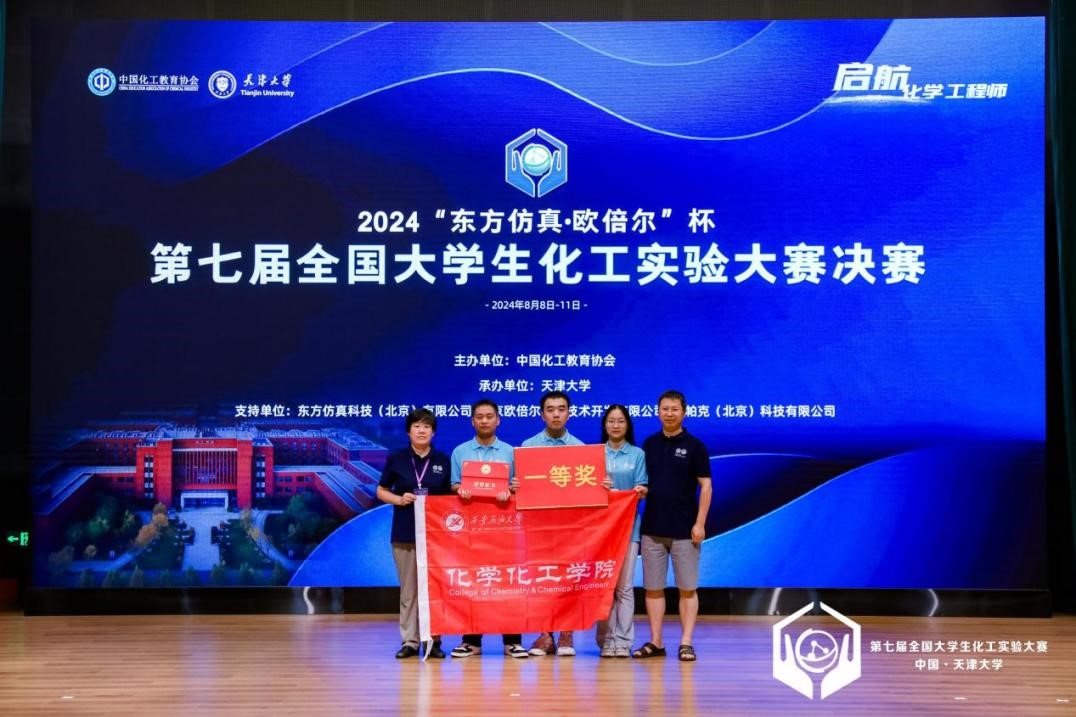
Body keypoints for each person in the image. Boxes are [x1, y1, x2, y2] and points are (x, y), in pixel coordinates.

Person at [633, 390, 712, 663]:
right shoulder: (649, 444)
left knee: (687, 588)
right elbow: (644, 481)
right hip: (652, 528)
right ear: (658, 412)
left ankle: (686, 642)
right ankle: (656, 641)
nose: (669, 413)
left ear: (684, 412)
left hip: (685, 530)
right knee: (653, 588)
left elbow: (706, 486)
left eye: (674, 409)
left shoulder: (695, 446)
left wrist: (700, 523)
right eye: (665, 409)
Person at [448, 399, 529, 659]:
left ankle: (512, 641)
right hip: (472, 529)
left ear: (498, 420)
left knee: (508, 583)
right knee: (473, 583)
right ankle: (471, 641)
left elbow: (518, 487)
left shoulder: (511, 452)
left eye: (489, 416)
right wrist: (461, 489)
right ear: (472, 421)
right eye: (479, 416)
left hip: (505, 528)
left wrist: (511, 490)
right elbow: (454, 484)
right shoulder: (460, 451)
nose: (484, 420)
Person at [376, 407, 452, 659]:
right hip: (405, 532)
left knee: (435, 590)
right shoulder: (397, 458)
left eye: (427, 426)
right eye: (417, 426)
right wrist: (399, 499)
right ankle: (410, 641)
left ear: (433, 432)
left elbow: (450, 497)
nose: (421, 431)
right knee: (409, 591)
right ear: (409, 431)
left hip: (436, 537)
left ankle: (434, 640)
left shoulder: (442, 460)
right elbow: (381, 490)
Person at [520, 390, 583, 657]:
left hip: (570, 527)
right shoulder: (528, 447)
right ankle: (545, 635)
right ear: (541, 414)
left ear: (569, 413)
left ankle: (567, 633)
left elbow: (585, 491)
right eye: (550, 409)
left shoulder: (581, 449)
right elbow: (521, 489)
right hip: (538, 526)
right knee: (541, 580)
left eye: (561, 409)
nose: (556, 414)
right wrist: (516, 485)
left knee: (569, 579)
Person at [595, 404, 648, 658]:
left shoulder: (637, 454)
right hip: (600, 531)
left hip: (629, 528)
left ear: (628, 425)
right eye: (611, 421)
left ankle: (624, 641)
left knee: (624, 587)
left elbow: (642, 488)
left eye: (620, 421)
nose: (615, 425)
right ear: (604, 425)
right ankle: (606, 640)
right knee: (605, 586)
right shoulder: (595, 454)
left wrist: (639, 491)